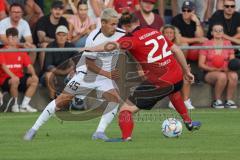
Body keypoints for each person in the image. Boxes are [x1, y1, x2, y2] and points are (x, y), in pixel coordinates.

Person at [82, 13, 201, 142]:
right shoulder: (154, 31)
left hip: (159, 82)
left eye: (124, 28)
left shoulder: (132, 38)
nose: (124, 31)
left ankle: (126, 138)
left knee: (125, 111)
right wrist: (186, 72)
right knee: (174, 91)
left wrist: (90, 49)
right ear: (138, 22)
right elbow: (177, 50)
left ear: (127, 26)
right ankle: (188, 122)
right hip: (177, 76)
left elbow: (110, 46)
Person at [23, 8, 125, 141]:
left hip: (105, 76)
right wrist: (109, 73)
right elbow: (90, 64)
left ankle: (99, 132)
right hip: (87, 73)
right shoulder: (93, 38)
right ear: (103, 23)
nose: (115, 27)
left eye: (116, 23)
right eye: (112, 24)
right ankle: (33, 129)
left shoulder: (122, 34)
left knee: (115, 99)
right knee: (61, 101)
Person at [199, 23, 238, 109]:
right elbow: (200, 64)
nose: (218, 32)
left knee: (234, 75)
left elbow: (232, 61)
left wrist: (226, 68)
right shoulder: (206, 44)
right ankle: (216, 101)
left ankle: (229, 101)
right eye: (215, 30)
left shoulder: (228, 43)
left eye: (220, 30)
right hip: (209, 72)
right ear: (212, 33)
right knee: (222, 76)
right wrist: (212, 69)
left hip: (225, 70)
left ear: (223, 32)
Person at [0, 27, 38, 112]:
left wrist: (34, 74)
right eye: (11, 38)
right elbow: (3, 66)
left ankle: (24, 105)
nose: (13, 40)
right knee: (15, 80)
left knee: (34, 80)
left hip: (19, 77)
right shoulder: (2, 51)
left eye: (15, 37)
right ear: (7, 38)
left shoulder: (21, 51)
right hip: (6, 79)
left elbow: (29, 65)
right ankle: (15, 105)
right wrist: (13, 76)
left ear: (18, 38)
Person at [161, 25, 195, 110]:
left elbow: (181, 61)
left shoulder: (179, 45)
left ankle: (186, 101)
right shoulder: (159, 45)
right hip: (162, 70)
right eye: (166, 33)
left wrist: (185, 69)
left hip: (175, 69)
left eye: (171, 33)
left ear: (174, 34)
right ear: (162, 34)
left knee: (187, 75)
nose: (169, 35)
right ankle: (174, 102)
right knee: (178, 74)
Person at [41, 25, 77, 100]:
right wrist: (64, 72)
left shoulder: (71, 46)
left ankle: (72, 101)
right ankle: (52, 99)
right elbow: (49, 67)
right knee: (48, 75)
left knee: (76, 73)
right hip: (54, 74)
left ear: (67, 36)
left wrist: (72, 69)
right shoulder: (50, 46)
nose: (61, 37)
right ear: (55, 36)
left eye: (64, 35)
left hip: (66, 74)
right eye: (59, 35)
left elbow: (77, 60)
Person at [34, 0, 68, 71]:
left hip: (58, 43)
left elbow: (66, 36)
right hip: (40, 46)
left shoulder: (64, 21)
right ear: (51, 10)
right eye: (55, 9)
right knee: (45, 45)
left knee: (70, 45)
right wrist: (58, 41)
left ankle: (66, 71)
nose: (58, 12)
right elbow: (41, 38)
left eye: (60, 9)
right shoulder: (43, 20)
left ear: (63, 11)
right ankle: (43, 71)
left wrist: (60, 41)